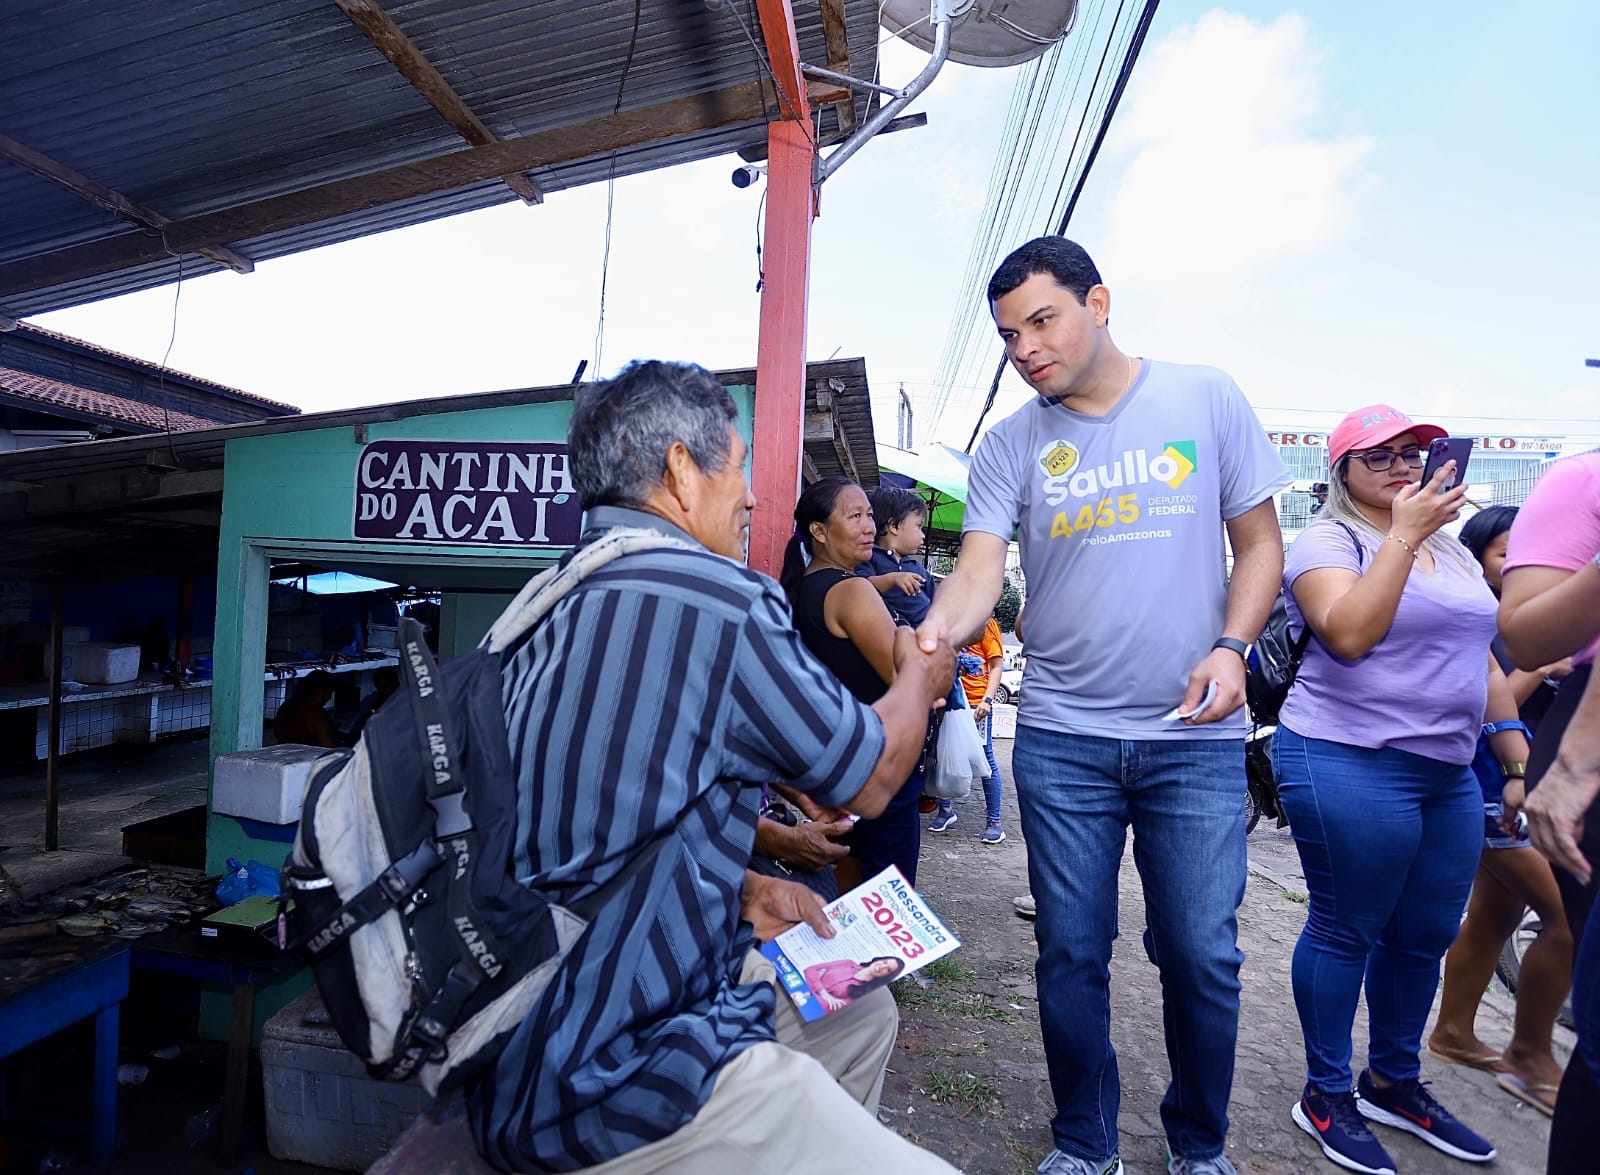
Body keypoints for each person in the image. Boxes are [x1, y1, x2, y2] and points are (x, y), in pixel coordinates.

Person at [466, 361, 958, 1175]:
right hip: (618, 1073)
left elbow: (589, 819)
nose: (753, 495)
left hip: (514, 1052)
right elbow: (869, 779)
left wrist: (742, 888)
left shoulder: (536, 607)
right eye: (736, 465)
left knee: (857, 1013)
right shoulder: (715, 595)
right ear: (678, 471)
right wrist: (921, 679)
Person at [917, 236, 1291, 1175]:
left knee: (1203, 956)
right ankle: (1085, 1141)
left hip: (1194, 738)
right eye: (1009, 335)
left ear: (1100, 301)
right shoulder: (1009, 445)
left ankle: (1198, 1145)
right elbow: (976, 571)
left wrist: (1232, 646)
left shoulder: (1203, 396)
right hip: (1062, 739)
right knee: (1070, 954)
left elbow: (1259, 546)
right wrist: (933, 640)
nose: (1026, 348)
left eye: (1042, 319)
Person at [1274, 405, 1520, 1174]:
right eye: (1377, 455)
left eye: (1414, 451)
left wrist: (1513, 752)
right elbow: (1348, 632)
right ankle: (1325, 1091)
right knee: (1347, 927)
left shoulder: (1448, 550)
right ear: (1342, 468)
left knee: (1424, 936)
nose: (1400, 465)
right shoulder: (1329, 539)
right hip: (1346, 753)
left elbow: (1478, 657)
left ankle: (1394, 1081)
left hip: (1445, 771)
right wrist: (1405, 535)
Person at [1428, 506, 1571, 1116]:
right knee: (1566, 919)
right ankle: (1531, 1055)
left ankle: (1453, 1033)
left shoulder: (1544, 611)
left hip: (1519, 787)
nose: (1516, 565)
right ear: (1478, 555)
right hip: (1491, 787)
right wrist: (1543, 665)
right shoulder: (1477, 617)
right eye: (1502, 554)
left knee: (1493, 915)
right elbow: (1492, 700)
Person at [1496, 449, 1600, 1175]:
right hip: (1551, 752)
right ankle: (1516, 1048)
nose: (1401, 464)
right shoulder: (1582, 478)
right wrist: (1518, 764)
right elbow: (1519, 647)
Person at [784, 477, 931, 890]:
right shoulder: (852, 592)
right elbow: (904, 681)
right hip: (879, 763)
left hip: (832, 761)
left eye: (869, 515)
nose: (869, 525)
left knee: (847, 882)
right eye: (855, 516)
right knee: (890, 893)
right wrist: (910, 642)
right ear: (819, 531)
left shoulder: (802, 589)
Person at [931, 615, 1008, 842]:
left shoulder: (986, 622)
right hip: (950, 701)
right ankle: (945, 811)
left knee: (985, 759)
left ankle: (995, 822)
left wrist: (987, 700)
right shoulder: (947, 619)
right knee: (940, 753)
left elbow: (996, 665)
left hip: (977, 705)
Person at [858, 485, 935, 626]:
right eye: (918, 526)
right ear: (894, 526)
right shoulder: (870, 555)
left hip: (931, 628)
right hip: (902, 633)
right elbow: (863, 586)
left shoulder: (916, 567)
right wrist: (892, 579)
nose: (923, 535)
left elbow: (936, 599)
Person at [803, 956, 906, 1012]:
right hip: (796, 989)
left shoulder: (864, 991)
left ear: (887, 976)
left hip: (805, 1004)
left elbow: (828, 1007)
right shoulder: (848, 963)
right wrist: (824, 994)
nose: (882, 966)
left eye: (888, 970)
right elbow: (810, 969)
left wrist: (816, 980)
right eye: (884, 962)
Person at [273, 669, 338, 747]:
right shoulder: (316, 713)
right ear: (318, 691)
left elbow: (277, 732)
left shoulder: (286, 705)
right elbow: (327, 746)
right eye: (329, 691)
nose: (329, 697)